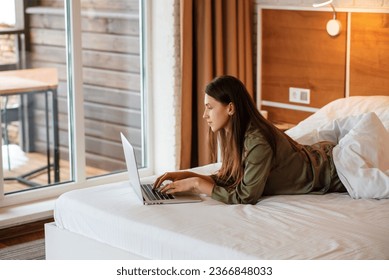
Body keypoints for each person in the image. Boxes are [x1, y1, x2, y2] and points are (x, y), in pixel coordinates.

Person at [153, 75, 347, 204]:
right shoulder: (235, 134)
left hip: (334, 170)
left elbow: (245, 195)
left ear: (230, 108)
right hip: (314, 157)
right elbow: (229, 178)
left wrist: (197, 185)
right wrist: (187, 176)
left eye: (210, 107)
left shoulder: (258, 142)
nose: (204, 115)